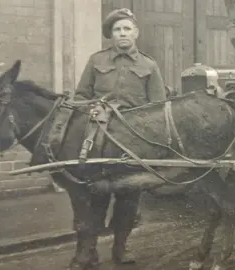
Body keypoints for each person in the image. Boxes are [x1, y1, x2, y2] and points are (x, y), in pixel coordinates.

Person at [72, 7, 167, 266]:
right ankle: (90, 251)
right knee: (97, 196)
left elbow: (159, 107)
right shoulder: (96, 61)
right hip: (100, 140)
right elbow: (80, 96)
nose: (122, 33)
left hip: (133, 143)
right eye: (117, 29)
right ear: (110, 35)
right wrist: (93, 106)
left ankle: (121, 250)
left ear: (135, 33)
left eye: (126, 28)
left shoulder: (148, 64)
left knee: (128, 199)